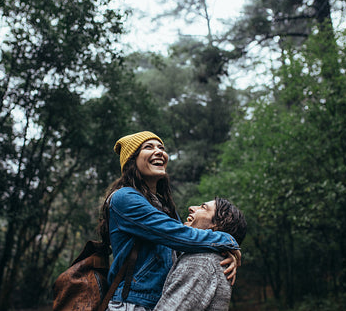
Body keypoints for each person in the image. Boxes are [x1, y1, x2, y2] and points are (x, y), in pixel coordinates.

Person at [98, 131, 241, 311]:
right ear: (131, 160)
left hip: (159, 301)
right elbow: (179, 235)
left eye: (161, 148)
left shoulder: (163, 205)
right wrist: (227, 241)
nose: (159, 152)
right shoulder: (124, 198)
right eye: (148, 147)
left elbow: (184, 247)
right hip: (132, 303)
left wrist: (225, 253)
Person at [154, 197, 247, 311]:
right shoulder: (210, 260)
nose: (192, 208)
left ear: (217, 225)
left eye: (203, 207)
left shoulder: (202, 261)